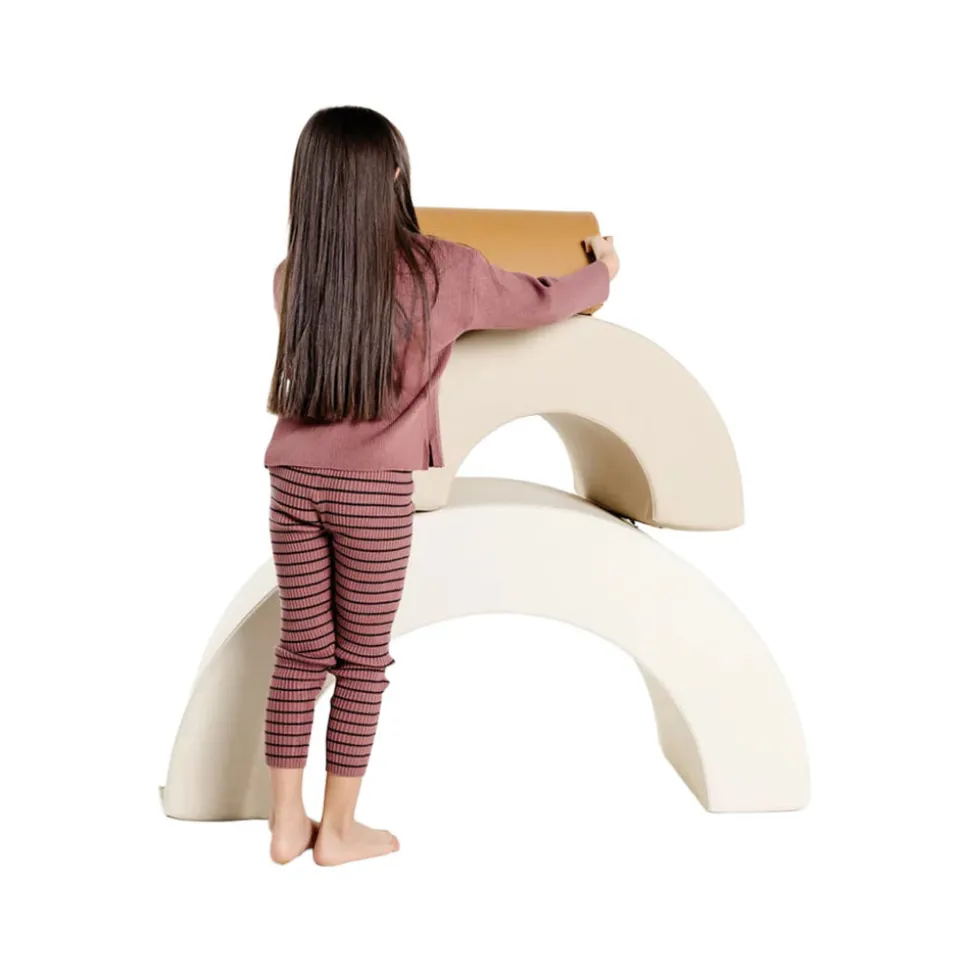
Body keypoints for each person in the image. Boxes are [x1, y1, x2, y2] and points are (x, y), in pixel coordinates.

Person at [262, 105, 621, 867]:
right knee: (362, 661)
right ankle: (340, 829)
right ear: (394, 175)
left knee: (300, 651)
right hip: (372, 493)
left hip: (291, 481)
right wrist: (602, 271)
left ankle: (286, 822)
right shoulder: (443, 271)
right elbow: (540, 300)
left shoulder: (294, 277)